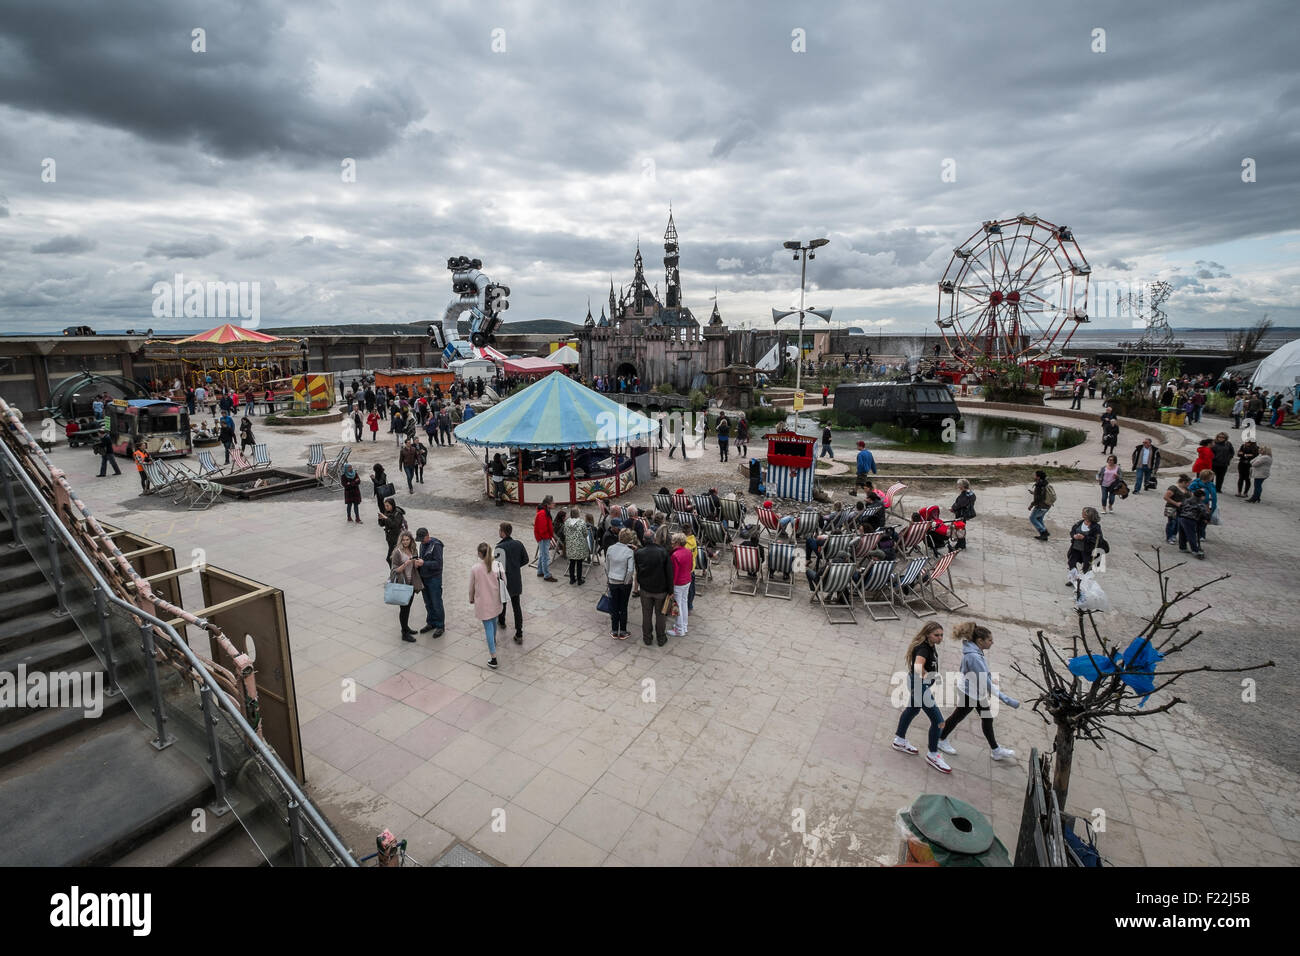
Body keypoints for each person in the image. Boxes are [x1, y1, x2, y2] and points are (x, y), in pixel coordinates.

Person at [936, 622, 1019, 761]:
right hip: (970, 694)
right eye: (990, 640)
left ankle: (995, 750)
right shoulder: (973, 656)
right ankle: (940, 739)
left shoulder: (974, 652)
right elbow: (984, 681)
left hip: (975, 691)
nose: (992, 642)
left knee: (986, 718)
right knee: (958, 716)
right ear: (980, 641)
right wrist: (1006, 699)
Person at [892, 621, 950, 774]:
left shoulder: (929, 645)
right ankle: (932, 754)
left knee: (912, 710)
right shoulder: (924, 648)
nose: (940, 638)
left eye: (941, 635)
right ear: (927, 635)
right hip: (919, 686)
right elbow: (918, 667)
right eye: (936, 635)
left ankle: (899, 740)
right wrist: (928, 677)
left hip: (918, 684)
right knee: (939, 722)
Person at [633, 527, 673, 646]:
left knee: (646, 614)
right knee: (660, 615)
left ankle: (647, 638)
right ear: (654, 538)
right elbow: (669, 573)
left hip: (645, 589)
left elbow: (638, 570)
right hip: (661, 590)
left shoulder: (639, 553)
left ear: (644, 540)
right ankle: (661, 638)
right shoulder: (663, 552)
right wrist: (671, 590)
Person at [469, 542, 503, 669]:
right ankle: (493, 640)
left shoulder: (475, 568)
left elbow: (471, 586)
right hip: (495, 600)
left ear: (479, 554)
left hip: (483, 603)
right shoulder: (498, 565)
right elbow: (504, 581)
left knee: (488, 627)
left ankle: (493, 657)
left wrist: (471, 598)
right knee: (494, 621)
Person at [494, 522, 528, 645]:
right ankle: (519, 633)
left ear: (503, 532)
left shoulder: (499, 548)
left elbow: (496, 567)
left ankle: (501, 621)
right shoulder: (518, 544)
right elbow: (526, 559)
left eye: (499, 530)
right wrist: (515, 567)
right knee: (516, 606)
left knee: (503, 602)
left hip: (504, 581)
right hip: (516, 579)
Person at [388, 530, 424, 642]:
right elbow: (394, 571)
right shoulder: (397, 552)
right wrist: (406, 564)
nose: (405, 542)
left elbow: (415, 565)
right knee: (404, 609)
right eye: (403, 540)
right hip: (402, 583)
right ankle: (404, 633)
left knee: (408, 608)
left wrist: (417, 563)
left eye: (407, 539)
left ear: (411, 540)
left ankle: (406, 627)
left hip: (411, 583)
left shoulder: (413, 549)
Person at [606, 528, 637, 640]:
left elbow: (607, 565)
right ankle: (623, 631)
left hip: (613, 580)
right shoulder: (629, 551)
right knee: (623, 606)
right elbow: (630, 570)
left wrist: (608, 577)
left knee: (614, 605)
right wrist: (626, 581)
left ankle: (614, 630)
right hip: (624, 583)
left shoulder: (610, 548)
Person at [1066, 507, 1104, 586]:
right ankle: (1074, 579)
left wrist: (1084, 538)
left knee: (1086, 567)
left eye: (1083, 513)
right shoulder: (1080, 522)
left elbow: (1098, 539)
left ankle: (1084, 583)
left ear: (1088, 515)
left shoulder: (1096, 527)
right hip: (1075, 548)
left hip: (1087, 550)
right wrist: (1074, 536)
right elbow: (1072, 531)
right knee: (1071, 562)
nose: (1082, 514)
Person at [668, 532, 693, 638]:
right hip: (687, 580)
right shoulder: (688, 552)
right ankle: (684, 626)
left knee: (678, 606)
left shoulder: (675, 555)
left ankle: (679, 629)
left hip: (678, 583)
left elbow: (675, 573)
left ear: (677, 542)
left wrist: (671, 587)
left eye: (673, 541)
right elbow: (691, 566)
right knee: (683, 603)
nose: (672, 543)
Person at [1176, 489, 1209, 558]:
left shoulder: (1187, 500)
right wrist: (1206, 519)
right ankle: (1195, 550)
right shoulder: (1200, 503)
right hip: (1190, 519)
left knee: (1182, 534)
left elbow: (1180, 506)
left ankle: (1182, 547)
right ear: (1201, 496)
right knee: (1191, 535)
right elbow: (1204, 513)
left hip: (1181, 517)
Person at [377, 497, 407, 568]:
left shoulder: (397, 513)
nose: (386, 507)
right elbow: (382, 524)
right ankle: (395, 573)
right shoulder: (387, 512)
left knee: (390, 559)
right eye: (385, 506)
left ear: (392, 505)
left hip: (397, 539)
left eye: (387, 506)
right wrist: (380, 519)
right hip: (390, 539)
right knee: (393, 559)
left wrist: (386, 518)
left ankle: (395, 573)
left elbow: (395, 525)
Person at [1162, 474, 1191, 544]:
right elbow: (1166, 497)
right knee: (1172, 522)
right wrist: (1176, 503)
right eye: (1188, 483)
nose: (1189, 485)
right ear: (1184, 482)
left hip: (1181, 509)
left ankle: (1174, 535)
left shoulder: (1187, 490)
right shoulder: (1173, 488)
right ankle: (1169, 537)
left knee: (1178, 523)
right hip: (1171, 508)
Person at [534, 495, 557, 582]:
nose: (554, 504)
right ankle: (547, 575)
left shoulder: (544, 511)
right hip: (544, 538)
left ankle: (540, 571)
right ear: (547, 504)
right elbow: (543, 529)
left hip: (543, 537)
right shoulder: (543, 513)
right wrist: (548, 537)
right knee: (545, 556)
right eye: (552, 503)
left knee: (542, 555)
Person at [564, 509, 590, 584]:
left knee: (571, 563)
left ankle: (572, 579)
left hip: (570, 545)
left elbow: (565, 532)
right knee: (579, 563)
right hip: (579, 546)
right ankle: (579, 580)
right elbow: (585, 533)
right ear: (578, 514)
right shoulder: (581, 522)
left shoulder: (567, 522)